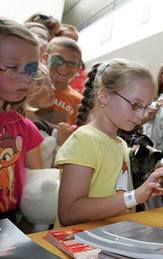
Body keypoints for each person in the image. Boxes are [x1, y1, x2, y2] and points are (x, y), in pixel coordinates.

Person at [54, 59, 163, 227]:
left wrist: (142, 193)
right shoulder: (84, 140)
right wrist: (134, 197)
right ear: (104, 95)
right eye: (135, 105)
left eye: (145, 107)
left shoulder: (120, 143)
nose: (142, 115)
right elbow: (69, 213)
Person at [0, 17, 44, 224]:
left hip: (8, 220)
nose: (26, 78)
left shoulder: (26, 128)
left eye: (31, 70)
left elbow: (37, 187)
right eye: (13, 67)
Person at [24, 64, 73, 168]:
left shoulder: (40, 121)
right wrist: (62, 143)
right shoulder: (23, 129)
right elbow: (41, 175)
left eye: (50, 82)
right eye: (42, 83)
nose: (52, 88)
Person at [36, 36, 83, 125]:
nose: (64, 67)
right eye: (57, 59)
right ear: (45, 58)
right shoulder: (32, 88)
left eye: (72, 63)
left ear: (78, 68)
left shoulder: (78, 101)